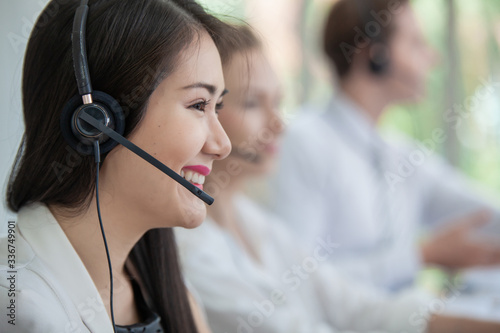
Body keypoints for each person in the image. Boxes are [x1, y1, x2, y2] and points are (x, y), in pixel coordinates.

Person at [175, 24, 500, 333]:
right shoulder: (189, 247)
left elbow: (354, 305)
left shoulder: (255, 223)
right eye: (251, 102)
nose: (280, 125)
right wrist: (422, 256)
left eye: (277, 102)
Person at [0, 0, 237, 331]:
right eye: (199, 105)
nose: (223, 145)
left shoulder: (165, 286)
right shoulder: (20, 308)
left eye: (218, 107)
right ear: (95, 123)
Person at [270, 0, 500, 292]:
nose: (433, 58)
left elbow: (485, 215)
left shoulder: (398, 154)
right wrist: (420, 256)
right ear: (375, 56)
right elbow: (296, 282)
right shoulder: (303, 142)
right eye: (416, 44)